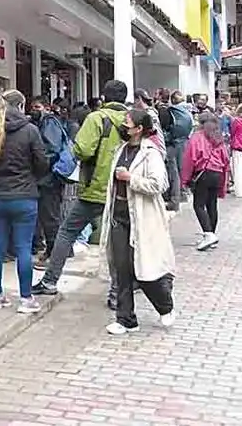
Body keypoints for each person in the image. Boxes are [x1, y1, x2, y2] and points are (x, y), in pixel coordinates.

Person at [33, 80, 128, 297]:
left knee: (66, 232)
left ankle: (50, 281)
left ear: (104, 97)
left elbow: (82, 150)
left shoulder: (96, 118)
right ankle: (117, 292)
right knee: (118, 242)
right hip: (122, 190)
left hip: (94, 187)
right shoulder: (133, 119)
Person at [100, 110, 176, 335]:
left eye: (127, 123)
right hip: (119, 215)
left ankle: (165, 305)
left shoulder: (150, 153)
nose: (123, 126)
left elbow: (159, 184)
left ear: (139, 128)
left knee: (143, 268)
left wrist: (130, 179)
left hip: (142, 217)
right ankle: (125, 319)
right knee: (121, 268)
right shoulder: (121, 150)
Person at [0, 90, 48, 313]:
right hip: (24, 197)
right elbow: (42, 162)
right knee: (23, 248)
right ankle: (26, 299)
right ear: (21, 106)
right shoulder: (30, 131)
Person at [180, 112, 230, 252]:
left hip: (203, 173)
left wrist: (185, 179)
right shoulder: (219, 138)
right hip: (218, 173)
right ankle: (211, 234)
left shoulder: (196, 138)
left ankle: (208, 234)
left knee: (199, 205)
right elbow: (226, 159)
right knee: (212, 205)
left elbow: (189, 159)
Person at [29, 95, 67, 268]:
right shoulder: (43, 123)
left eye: (37, 107)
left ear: (46, 107)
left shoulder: (49, 123)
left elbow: (52, 149)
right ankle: (53, 250)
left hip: (49, 178)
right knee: (48, 216)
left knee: (50, 216)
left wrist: (39, 163)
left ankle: (54, 254)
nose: (33, 111)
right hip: (46, 177)